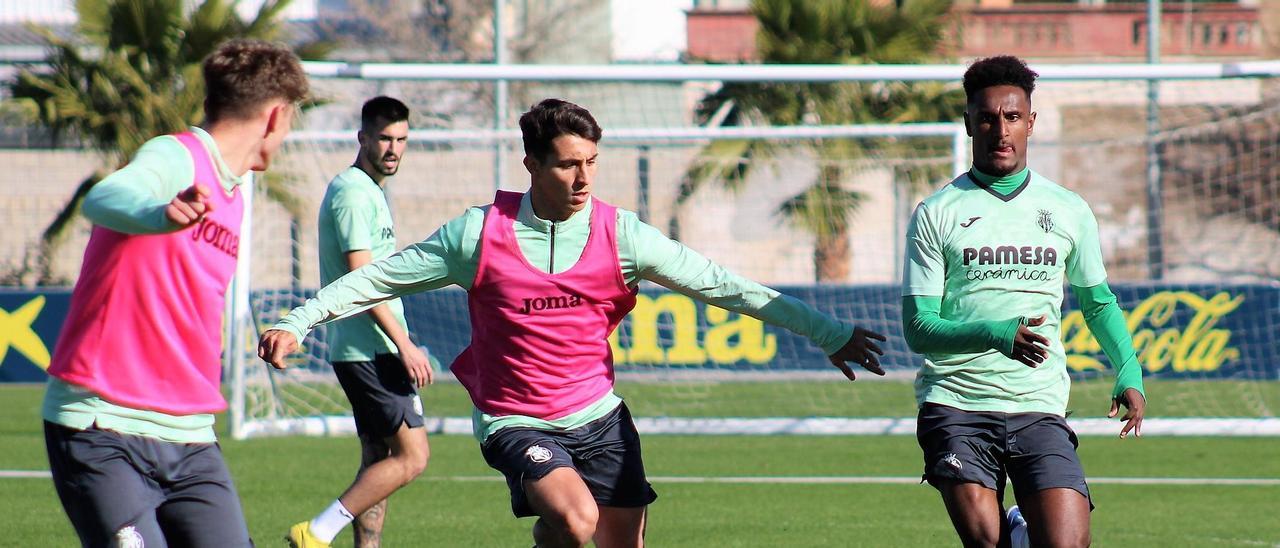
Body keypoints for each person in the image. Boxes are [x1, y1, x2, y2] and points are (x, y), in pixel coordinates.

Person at [260, 98, 887, 548]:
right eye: (567, 164)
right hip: (514, 418)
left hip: (599, 416)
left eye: (592, 162)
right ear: (531, 164)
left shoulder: (623, 235)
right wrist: (300, 321)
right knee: (577, 517)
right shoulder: (479, 234)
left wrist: (828, 332)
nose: (583, 178)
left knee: (601, 537)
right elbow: (376, 278)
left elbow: (722, 284)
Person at [41, 39, 308, 548]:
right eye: (293, 117)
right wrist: (156, 215)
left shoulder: (231, 193)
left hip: (190, 437)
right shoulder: (177, 156)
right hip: (103, 426)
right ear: (275, 117)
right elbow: (105, 196)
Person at [901, 55, 1147, 548]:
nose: (1000, 129)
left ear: (1030, 122)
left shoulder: (1068, 209)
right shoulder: (936, 213)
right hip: (957, 404)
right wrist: (995, 334)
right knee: (989, 544)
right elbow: (918, 328)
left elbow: (1097, 303)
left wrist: (1129, 370)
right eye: (988, 118)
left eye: (1012, 117)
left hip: (1038, 405)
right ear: (969, 122)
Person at [287, 96, 433, 548]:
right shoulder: (352, 193)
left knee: (379, 458)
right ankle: (316, 531)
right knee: (412, 457)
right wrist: (403, 343)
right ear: (363, 138)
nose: (393, 148)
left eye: (402, 140)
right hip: (371, 349)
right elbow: (360, 278)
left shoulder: (369, 190)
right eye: (385, 138)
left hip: (365, 348)